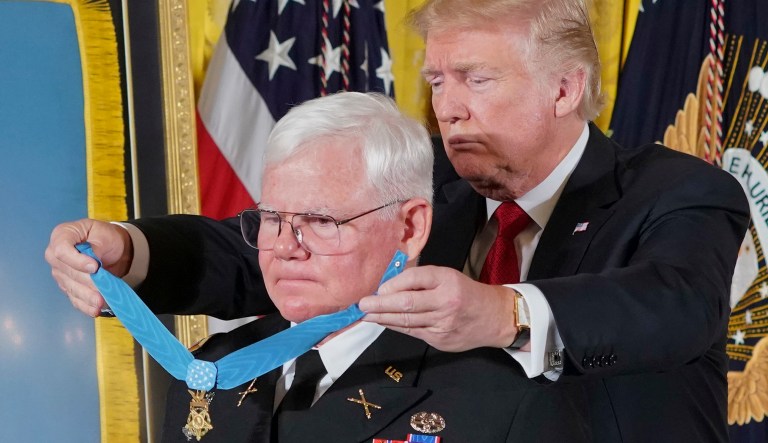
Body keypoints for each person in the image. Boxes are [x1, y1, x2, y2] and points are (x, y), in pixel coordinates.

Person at [45, 0, 750, 441]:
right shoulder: (427, 183)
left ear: (565, 87)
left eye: (477, 79)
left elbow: (673, 307)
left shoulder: (680, 191)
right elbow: (256, 246)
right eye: (439, 80)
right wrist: (129, 250)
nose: (448, 107)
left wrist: (505, 311)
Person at [157, 92, 589, 442]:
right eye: (272, 218)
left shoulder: (501, 397)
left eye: (322, 221)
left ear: (410, 228)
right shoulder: (211, 371)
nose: (285, 247)